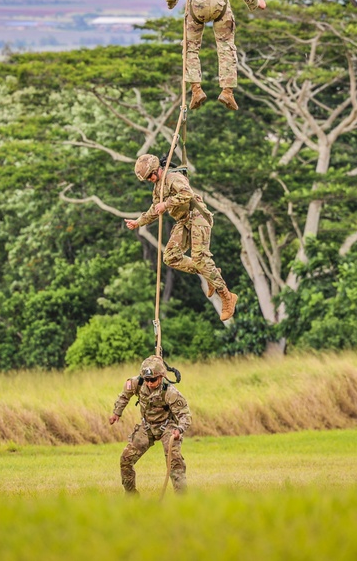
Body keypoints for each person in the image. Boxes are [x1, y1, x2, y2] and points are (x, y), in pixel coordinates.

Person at [125, 153, 237, 321]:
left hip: (197, 216)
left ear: (156, 170)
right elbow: (155, 210)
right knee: (170, 257)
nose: (149, 180)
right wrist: (138, 222)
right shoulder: (158, 187)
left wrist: (167, 204)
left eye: (150, 176)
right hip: (183, 221)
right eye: (146, 178)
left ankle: (227, 296)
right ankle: (209, 273)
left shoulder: (173, 177)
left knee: (200, 258)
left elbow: (187, 194)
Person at [165, 0, 267, 111]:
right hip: (221, 6)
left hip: (197, 6)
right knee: (226, 47)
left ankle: (196, 89)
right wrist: (257, 3)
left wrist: (171, 3)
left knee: (190, 48)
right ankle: (227, 91)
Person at [109, 355, 192, 495]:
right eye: (147, 379)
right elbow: (124, 396)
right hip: (147, 427)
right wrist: (117, 413)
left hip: (168, 427)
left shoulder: (170, 392)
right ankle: (131, 496)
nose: (149, 383)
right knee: (125, 459)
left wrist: (179, 429)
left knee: (175, 461)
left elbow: (185, 415)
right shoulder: (137, 383)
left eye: (153, 380)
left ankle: (182, 499)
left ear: (161, 377)